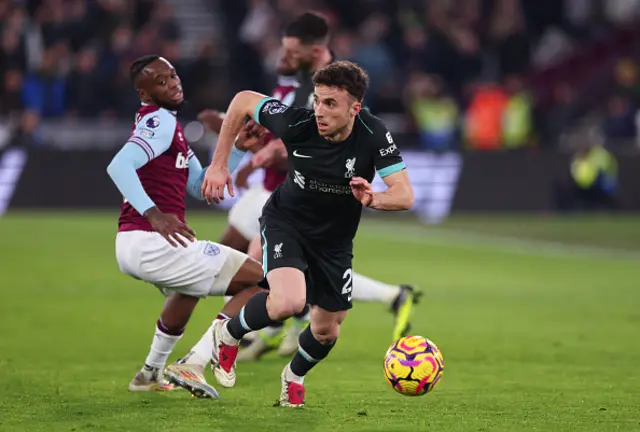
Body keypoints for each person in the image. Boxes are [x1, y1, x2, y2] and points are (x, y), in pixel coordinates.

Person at [201, 60, 415, 407]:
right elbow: (242, 101)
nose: (319, 110)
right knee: (288, 302)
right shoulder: (297, 121)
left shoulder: (373, 134)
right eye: (317, 99)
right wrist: (219, 163)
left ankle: (293, 375)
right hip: (287, 222)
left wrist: (374, 198)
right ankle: (227, 333)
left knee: (327, 329)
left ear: (355, 109)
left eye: (330, 103)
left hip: (334, 241)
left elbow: (404, 194)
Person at [235, 11, 420, 361]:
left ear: (313, 50)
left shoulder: (332, 90)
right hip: (285, 200)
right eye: (283, 51)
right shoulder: (296, 88)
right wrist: (239, 155)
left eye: (290, 51)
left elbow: (401, 191)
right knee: (264, 266)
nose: (283, 57)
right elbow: (261, 116)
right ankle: (243, 333)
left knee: (301, 298)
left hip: (320, 212)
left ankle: (274, 329)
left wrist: (374, 198)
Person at [106, 55, 264, 399]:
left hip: (137, 244)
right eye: (161, 81)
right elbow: (119, 166)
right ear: (144, 93)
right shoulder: (159, 121)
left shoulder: (170, 127)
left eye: (173, 75)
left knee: (190, 290)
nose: (173, 83)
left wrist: (237, 150)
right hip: (149, 238)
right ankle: (194, 361)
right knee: (263, 281)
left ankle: (149, 373)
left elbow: (199, 186)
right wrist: (153, 214)